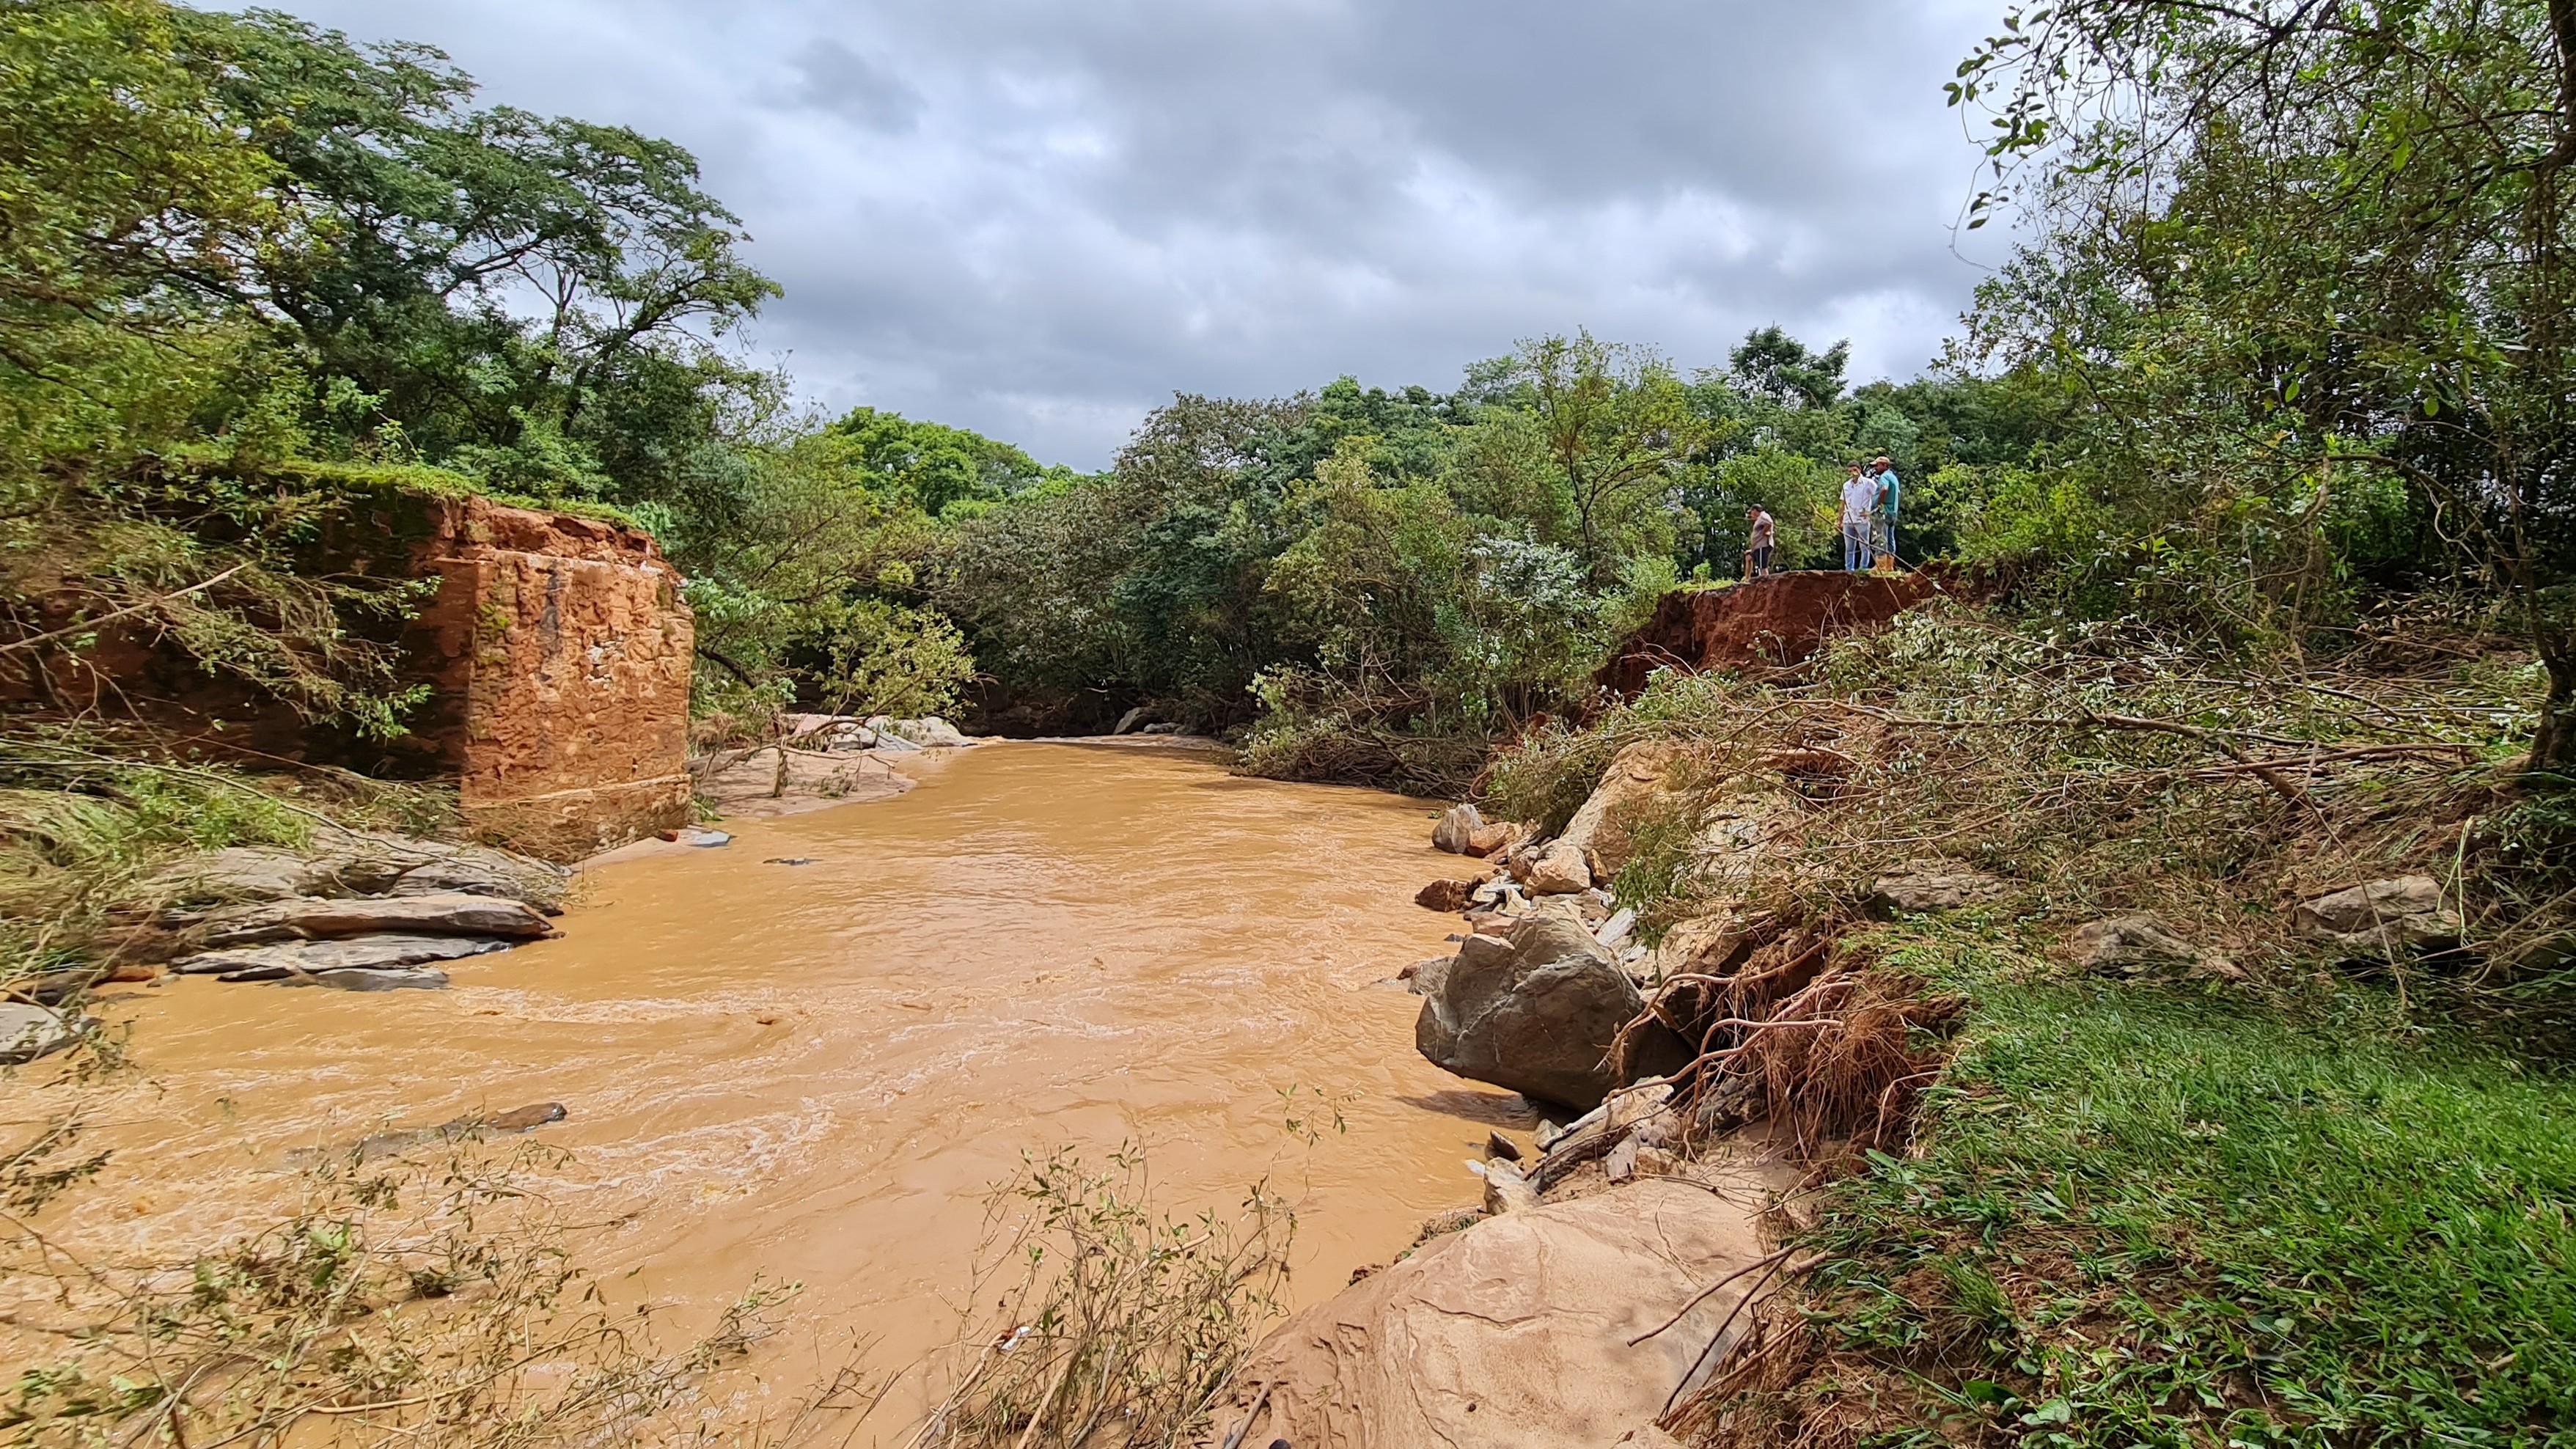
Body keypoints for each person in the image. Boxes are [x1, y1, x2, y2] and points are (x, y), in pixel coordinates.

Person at [1839, 461, 1878, 571]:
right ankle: (1849, 569)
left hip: (1862, 520)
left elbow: (1879, 497)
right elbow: (1842, 503)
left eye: (1855, 470)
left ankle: (1863, 568)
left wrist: (1871, 512)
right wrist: (1839, 520)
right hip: (1848, 519)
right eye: (1850, 471)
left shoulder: (1868, 483)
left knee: (1864, 546)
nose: (1853, 473)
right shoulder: (1846, 485)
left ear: (1859, 470)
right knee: (1849, 548)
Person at [1872, 455, 1902, 565]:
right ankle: (1890, 566)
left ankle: (1881, 565)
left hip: (1883, 512)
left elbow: (1884, 489)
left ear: (1885, 466)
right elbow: (1898, 494)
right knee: (1890, 538)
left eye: (1877, 466)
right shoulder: (1893, 477)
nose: (1875, 468)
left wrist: (1879, 504)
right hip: (1892, 512)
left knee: (1881, 538)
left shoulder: (1884, 476)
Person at [1744, 504, 1775, 578]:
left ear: (1755, 511)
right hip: (1757, 547)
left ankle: (1765, 582)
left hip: (1763, 546)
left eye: (1751, 512)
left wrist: (1765, 532)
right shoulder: (1759, 519)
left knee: (1762, 567)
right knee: (1748, 557)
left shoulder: (1763, 516)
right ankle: (1747, 579)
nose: (1751, 514)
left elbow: (1769, 523)